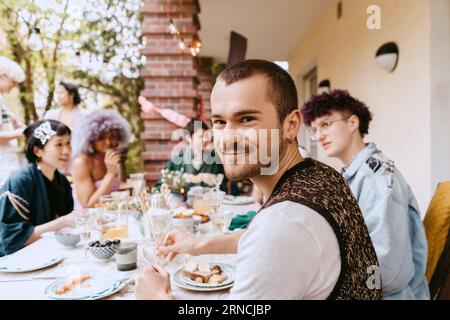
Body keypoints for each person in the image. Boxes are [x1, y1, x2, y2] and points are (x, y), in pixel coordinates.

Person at [135, 60, 382, 300]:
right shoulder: (319, 173)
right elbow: (261, 238)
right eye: (219, 122)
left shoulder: (282, 224)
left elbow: (274, 237)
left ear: (291, 125)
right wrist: (197, 244)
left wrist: (158, 297)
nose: (228, 138)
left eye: (246, 119)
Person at [300, 89, 430, 300]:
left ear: (352, 123)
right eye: (314, 130)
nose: (319, 136)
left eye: (325, 124)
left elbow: (385, 270)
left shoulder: (377, 180)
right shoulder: (354, 176)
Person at [0, 120, 76, 256]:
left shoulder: (62, 181)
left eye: (68, 143)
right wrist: (64, 221)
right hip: (13, 264)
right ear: (38, 150)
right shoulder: (20, 182)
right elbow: (12, 240)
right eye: (59, 144)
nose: (66, 151)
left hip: (48, 255)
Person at [71, 109, 131, 209]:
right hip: (88, 220)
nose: (108, 142)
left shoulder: (111, 158)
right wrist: (110, 174)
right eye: (101, 138)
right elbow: (88, 205)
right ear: (90, 139)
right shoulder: (82, 162)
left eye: (113, 136)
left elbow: (114, 192)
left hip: (111, 218)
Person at [154, 119, 227, 194]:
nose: (205, 140)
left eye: (206, 136)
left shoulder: (215, 159)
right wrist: (197, 178)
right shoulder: (178, 160)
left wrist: (218, 181)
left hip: (207, 204)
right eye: (201, 136)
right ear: (188, 138)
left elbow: (223, 188)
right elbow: (160, 186)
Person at [0, 56, 26, 187]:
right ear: (2, 76)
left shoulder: (2, 102)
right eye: (13, 81)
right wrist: (19, 132)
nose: (15, 85)